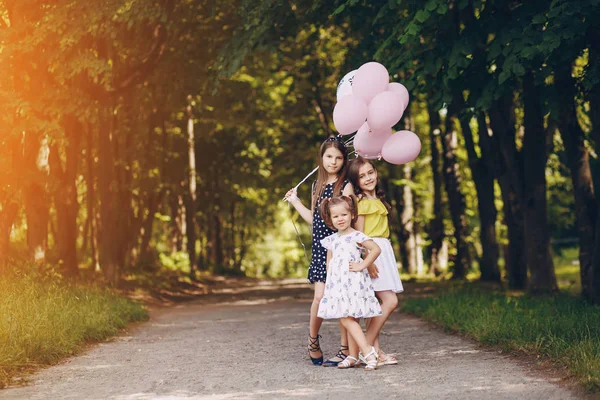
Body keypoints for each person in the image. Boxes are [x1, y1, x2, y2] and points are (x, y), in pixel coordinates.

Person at [284, 136, 354, 366]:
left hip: (341, 249)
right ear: (322, 158)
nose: (333, 162)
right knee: (320, 297)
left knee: (343, 299)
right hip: (320, 249)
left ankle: (345, 349)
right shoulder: (317, 185)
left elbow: (352, 220)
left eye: (339, 158)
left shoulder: (346, 186)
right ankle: (313, 341)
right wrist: (295, 202)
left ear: (344, 161)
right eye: (329, 156)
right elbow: (315, 221)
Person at [347, 156, 404, 366]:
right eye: (362, 176)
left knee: (375, 306)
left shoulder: (377, 200)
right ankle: (367, 348)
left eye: (370, 173)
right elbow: (359, 236)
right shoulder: (361, 202)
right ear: (356, 182)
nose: (368, 178)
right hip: (372, 255)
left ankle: (376, 352)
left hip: (383, 252)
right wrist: (367, 261)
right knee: (390, 301)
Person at [318, 195, 382, 371]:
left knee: (347, 318)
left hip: (353, 283)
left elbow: (376, 249)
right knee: (349, 317)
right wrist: (329, 286)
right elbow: (329, 264)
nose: (340, 219)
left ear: (352, 214)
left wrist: (363, 264)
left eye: (344, 215)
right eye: (336, 216)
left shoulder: (356, 236)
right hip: (338, 285)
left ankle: (368, 352)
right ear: (330, 219)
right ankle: (353, 356)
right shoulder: (332, 240)